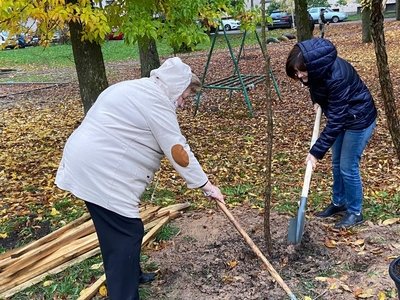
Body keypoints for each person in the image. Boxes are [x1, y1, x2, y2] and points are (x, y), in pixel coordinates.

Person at [55, 57, 224, 299]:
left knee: (116, 233)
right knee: (127, 233)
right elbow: (178, 151)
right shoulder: (156, 102)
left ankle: (132, 275)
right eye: (185, 96)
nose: (184, 104)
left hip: (86, 163)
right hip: (100, 171)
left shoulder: (135, 88)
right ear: (175, 87)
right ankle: (124, 294)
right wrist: (207, 186)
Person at [285, 38, 377, 229]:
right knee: (337, 163)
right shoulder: (317, 71)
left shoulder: (337, 77)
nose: (300, 76)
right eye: (296, 72)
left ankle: (355, 211)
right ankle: (339, 203)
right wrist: (316, 101)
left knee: (347, 166)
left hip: (358, 119)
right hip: (343, 116)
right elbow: (315, 86)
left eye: (302, 71)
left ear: (314, 66)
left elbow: (336, 121)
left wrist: (315, 152)